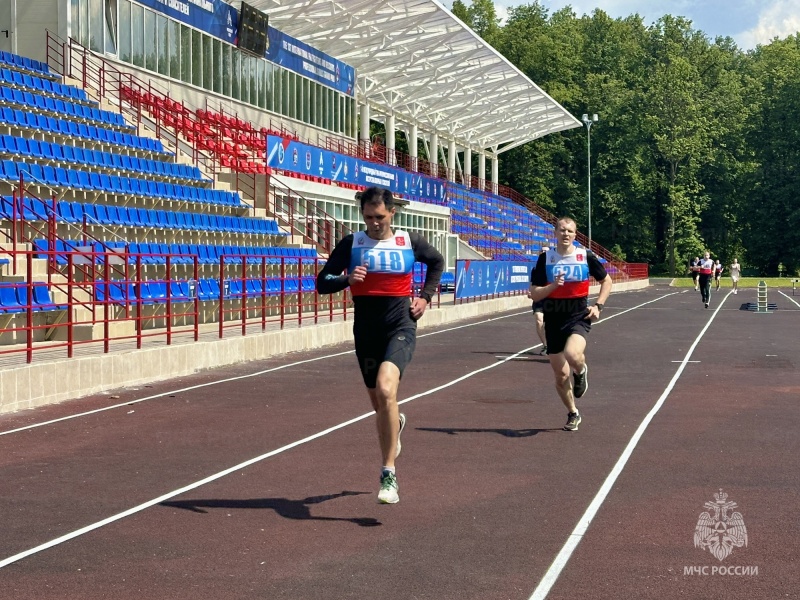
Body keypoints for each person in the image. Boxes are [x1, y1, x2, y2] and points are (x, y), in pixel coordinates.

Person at [316, 187, 444, 504]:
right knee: (380, 404)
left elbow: (437, 262)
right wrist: (347, 280)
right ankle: (395, 421)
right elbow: (321, 282)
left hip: (400, 324)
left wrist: (425, 297)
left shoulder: (408, 242)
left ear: (392, 214)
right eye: (369, 217)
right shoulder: (352, 244)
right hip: (366, 330)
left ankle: (388, 474)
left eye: (380, 217)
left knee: (388, 390)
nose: (374, 223)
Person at [529, 218, 612, 432]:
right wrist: (554, 286)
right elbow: (534, 293)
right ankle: (573, 412)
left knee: (573, 354)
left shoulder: (585, 256)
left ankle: (581, 370)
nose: (566, 234)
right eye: (562, 230)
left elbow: (607, 281)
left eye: (570, 231)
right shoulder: (545, 259)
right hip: (553, 318)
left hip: (577, 317)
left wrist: (598, 306)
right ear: (555, 232)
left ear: (576, 235)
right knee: (561, 375)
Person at [528, 245, 550, 355]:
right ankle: (545, 346)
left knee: (552, 324)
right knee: (538, 319)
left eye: (546, 251)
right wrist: (530, 292)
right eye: (542, 251)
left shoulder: (553, 267)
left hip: (552, 299)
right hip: (539, 298)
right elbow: (533, 283)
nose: (543, 253)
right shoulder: (536, 269)